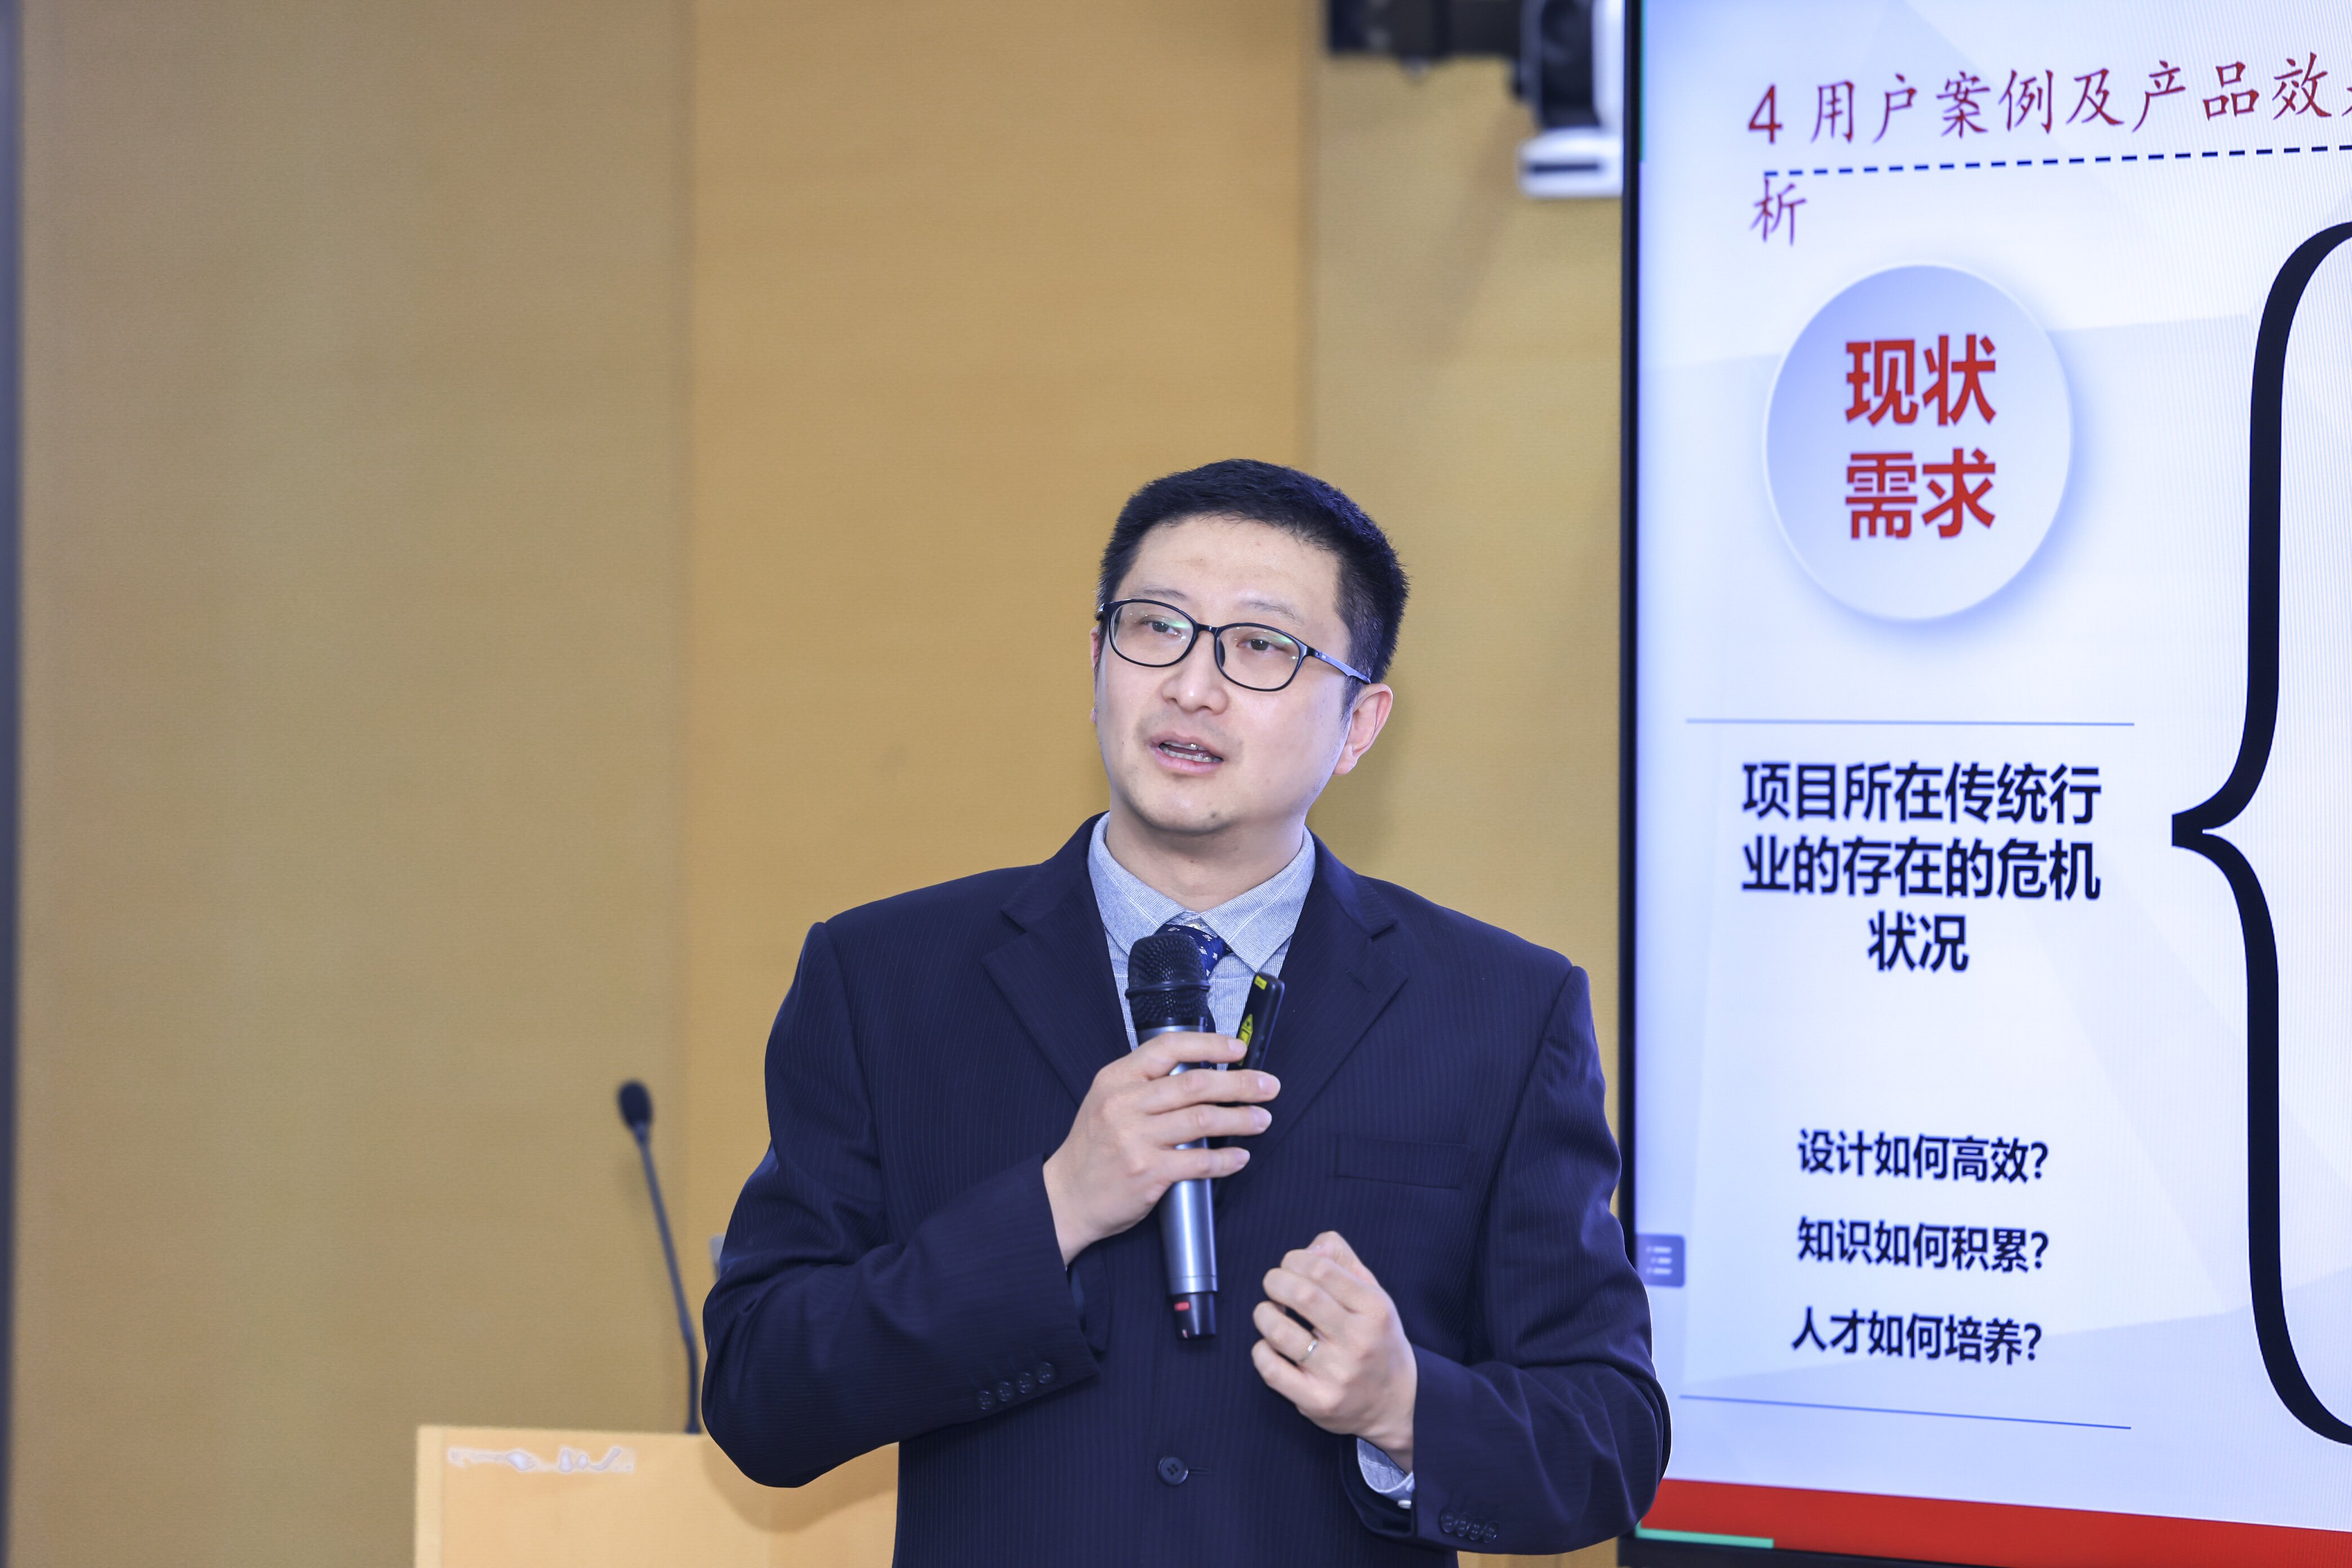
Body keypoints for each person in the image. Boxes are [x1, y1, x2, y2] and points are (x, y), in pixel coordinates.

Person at [703, 459, 1667, 1565]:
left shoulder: (1501, 1010)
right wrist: (1052, 1211)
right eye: (1155, 628)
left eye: (1260, 647)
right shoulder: (886, 977)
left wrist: (1405, 1407)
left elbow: (1611, 1440)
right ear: (1096, 663)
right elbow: (760, 1393)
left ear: (1359, 724)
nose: (1192, 687)